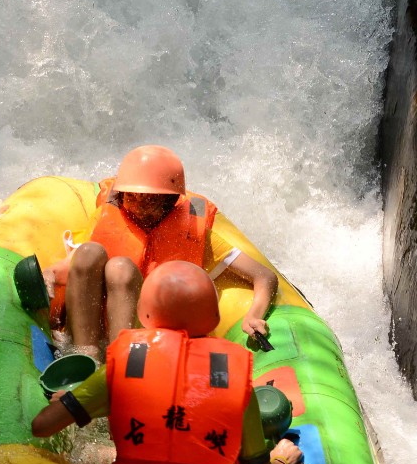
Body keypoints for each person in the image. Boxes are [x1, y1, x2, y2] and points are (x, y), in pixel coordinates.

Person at [32, 261, 302, 464]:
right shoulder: (230, 377)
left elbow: (42, 426)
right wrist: (280, 461)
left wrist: (78, 402)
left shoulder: (127, 365)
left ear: (143, 313)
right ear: (214, 319)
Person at [50, 144, 278, 353]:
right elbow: (77, 265)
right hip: (91, 329)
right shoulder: (108, 216)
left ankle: (119, 362)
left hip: (143, 337)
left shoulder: (196, 235)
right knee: (90, 252)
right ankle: (82, 353)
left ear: (169, 201)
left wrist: (254, 315)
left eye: (149, 200)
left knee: (121, 268)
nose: (139, 208)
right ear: (121, 195)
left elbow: (264, 276)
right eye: (132, 197)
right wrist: (48, 276)